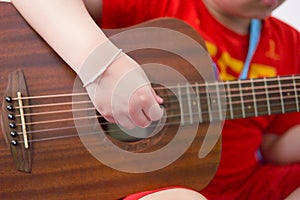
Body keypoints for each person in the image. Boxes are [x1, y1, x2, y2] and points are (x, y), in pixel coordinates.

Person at [10, 0, 300, 199]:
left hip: (242, 187)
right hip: (149, 183)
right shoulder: (165, 3)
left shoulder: (290, 44)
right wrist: (102, 66)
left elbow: (273, 147)